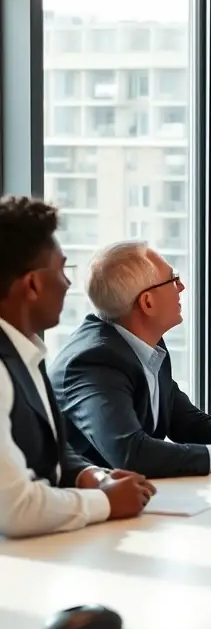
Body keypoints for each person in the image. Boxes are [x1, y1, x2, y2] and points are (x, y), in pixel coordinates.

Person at [50, 241, 211, 478]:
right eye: (173, 279)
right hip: (84, 505)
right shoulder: (93, 361)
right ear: (147, 302)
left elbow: (186, 422)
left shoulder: (146, 344)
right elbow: (130, 454)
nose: (181, 286)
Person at [0, 196, 155, 539]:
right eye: (62, 270)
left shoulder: (26, 353)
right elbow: (15, 508)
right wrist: (106, 502)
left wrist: (93, 477)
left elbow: (53, 452)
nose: (68, 284)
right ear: (33, 284)